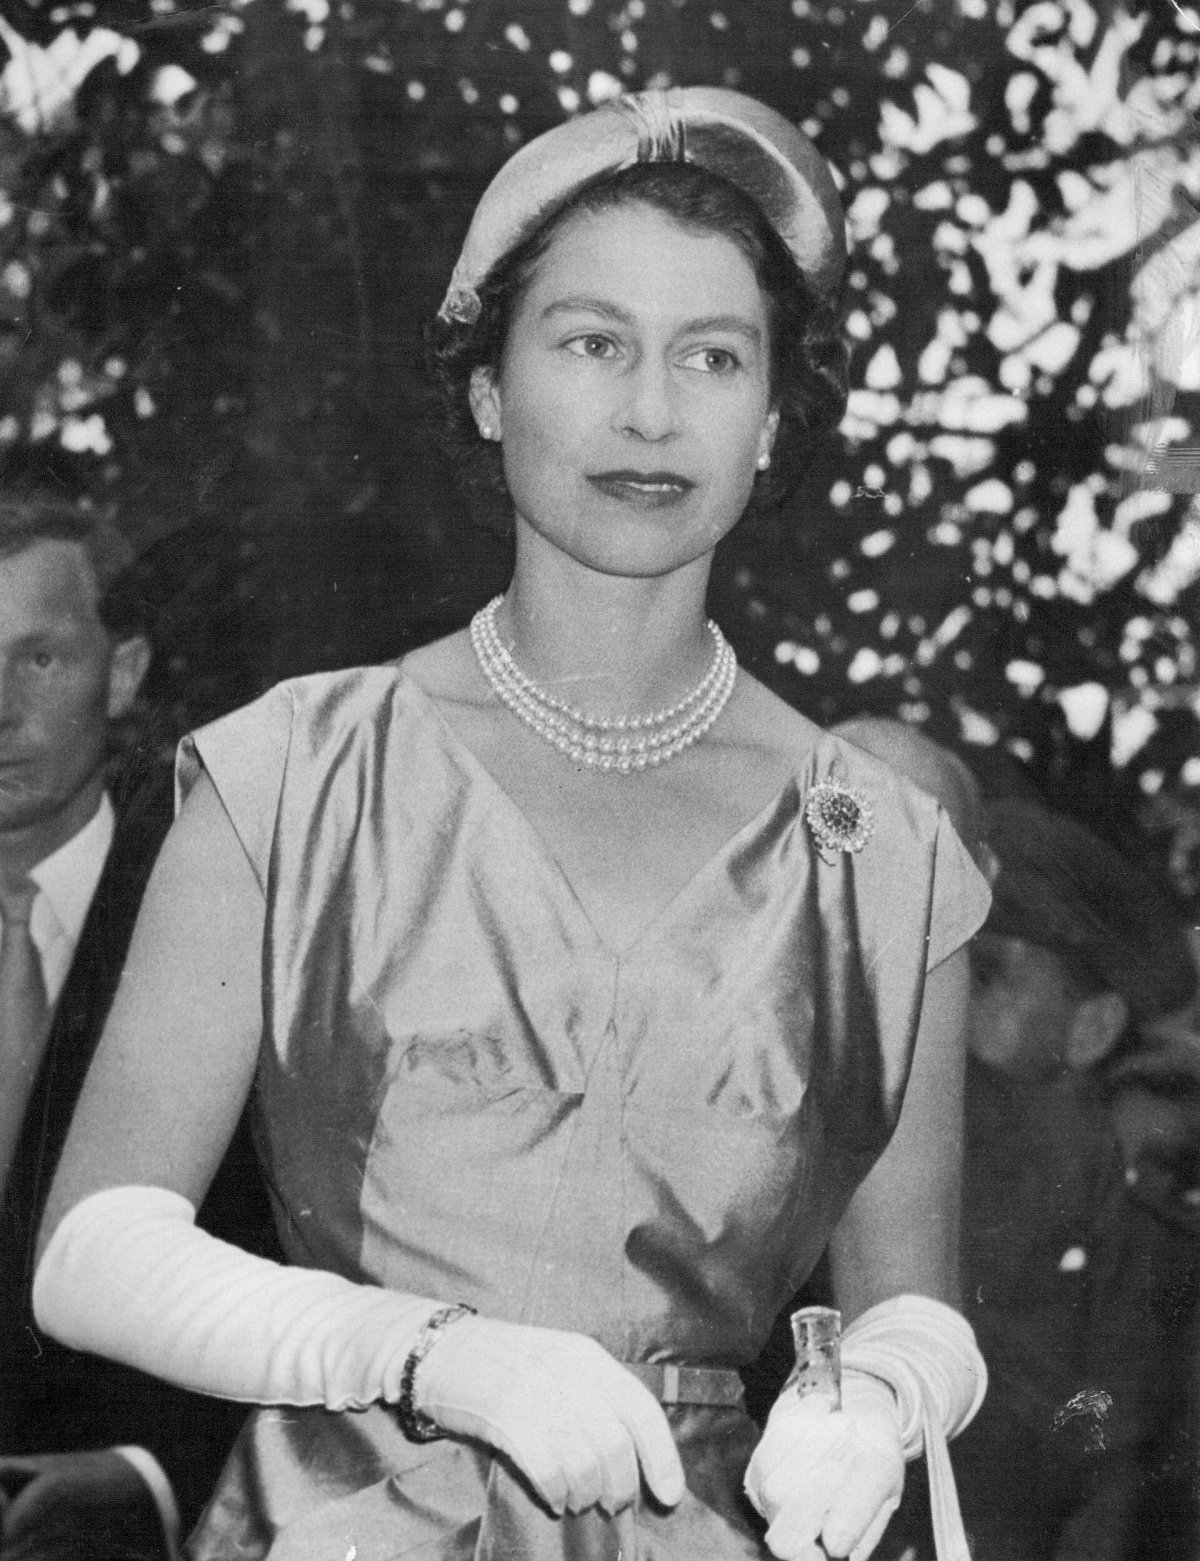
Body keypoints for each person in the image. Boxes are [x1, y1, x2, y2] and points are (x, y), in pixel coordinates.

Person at [32, 89, 992, 1561]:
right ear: (489, 390)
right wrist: (428, 1352)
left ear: (774, 417)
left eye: (713, 357)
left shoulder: (883, 849)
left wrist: (884, 1394)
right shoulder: (297, 768)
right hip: (347, 1522)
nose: (652, 411)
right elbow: (94, 1252)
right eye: (592, 342)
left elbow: (915, 1300)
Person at [0, 495, 275, 1559]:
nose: (0, 708)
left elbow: (316, 1260)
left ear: (121, 673)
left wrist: (149, 1476)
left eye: (38, 661)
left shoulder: (228, 915)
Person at [952, 796, 1199, 1561]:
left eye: (984, 972)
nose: (939, 999)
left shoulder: (1149, 1263)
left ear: (1089, 1029)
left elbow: (1119, 1491)